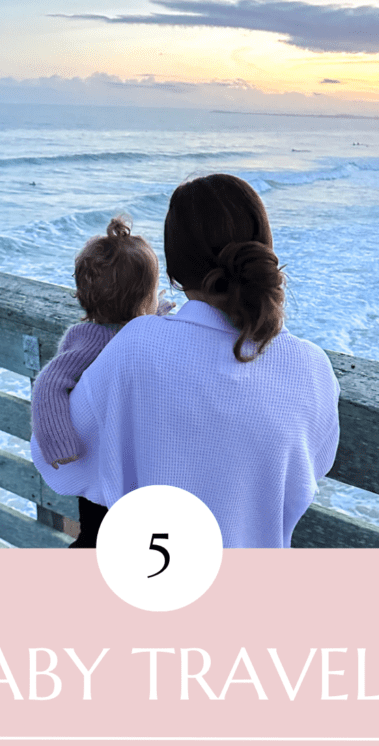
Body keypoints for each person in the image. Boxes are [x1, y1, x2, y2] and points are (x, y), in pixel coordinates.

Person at [32, 174, 340, 548]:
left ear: (174, 270)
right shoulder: (311, 367)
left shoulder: (136, 346)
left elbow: (61, 465)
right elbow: (311, 470)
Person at [31, 217, 172, 548]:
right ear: (143, 301)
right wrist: (61, 442)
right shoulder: (89, 341)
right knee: (99, 536)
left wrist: (159, 311)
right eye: (154, 292)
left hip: (125, 460)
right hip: (103, 468)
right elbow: (49, 384)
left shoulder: (145, 327)